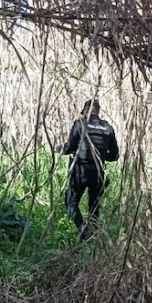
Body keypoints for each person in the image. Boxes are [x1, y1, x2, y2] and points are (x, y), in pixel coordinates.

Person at [55, 99, 119, 242]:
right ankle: (94, 238)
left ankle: (85, 234)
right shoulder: (108, 128)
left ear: (85, 111)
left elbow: (69, 148)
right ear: (98, 111)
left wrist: (58, 149)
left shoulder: (79, 124)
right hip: (98, 173)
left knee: (71, 203)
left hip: (80, 172)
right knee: (94, 206)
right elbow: (115, 156)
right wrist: (100, 156)